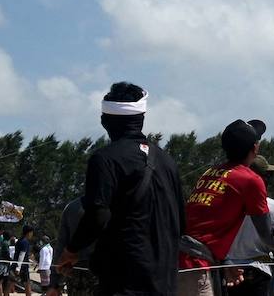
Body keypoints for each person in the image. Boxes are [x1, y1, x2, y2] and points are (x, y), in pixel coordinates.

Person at [56, 82, 185, 296]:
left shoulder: (104, 159)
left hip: (123, 281)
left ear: (105, 121)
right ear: (141, 119)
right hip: (165, 283)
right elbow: (180, 221)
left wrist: (71, 250)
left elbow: (98, 214)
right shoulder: (167, 161)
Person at [180, 119, 274, 296]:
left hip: (178, 256)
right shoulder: (250, 180)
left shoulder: (209, 173)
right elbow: (266, 232)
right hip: (194, 263)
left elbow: (203, 227)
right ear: (255, 148)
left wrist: (224, 263)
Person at [225, 153, 274, 296]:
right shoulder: (272, 206)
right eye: (267, 176)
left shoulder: (228, 203)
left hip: (230, 269)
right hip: (259, 270)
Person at [12, 228, 33, 296]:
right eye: (31, 233)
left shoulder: (19, 241)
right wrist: (18, 268)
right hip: (22, 266)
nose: (32, 235)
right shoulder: (25, 241)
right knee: (27, 283)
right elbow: (22, 255)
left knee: (10, 281)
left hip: (16, 264)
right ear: (28, 233)